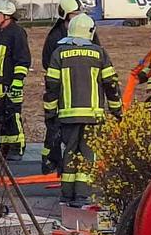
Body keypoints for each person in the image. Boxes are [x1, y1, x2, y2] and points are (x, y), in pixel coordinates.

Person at [43, 12, 120, 206]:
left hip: (67, 116)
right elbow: (110, 84)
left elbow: (52, 87)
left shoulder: (59, 54)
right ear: (90, 32)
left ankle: (67, 193)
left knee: (69, 152)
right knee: (87, 154)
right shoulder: (99, 53)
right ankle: (82, 194)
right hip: (93, 117)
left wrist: (50, 114)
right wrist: (117, 110)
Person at [39, 0, 82, 174]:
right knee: (54, 127)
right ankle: (51, 161)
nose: (78, 16)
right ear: (65, 15)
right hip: (60, 90)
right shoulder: (54, 37)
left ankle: (75, 163)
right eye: (74, 13)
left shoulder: (86, 32)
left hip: (80, 89)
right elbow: (47, 63)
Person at [0, 0, 31, 160]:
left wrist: (17, 82)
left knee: (12, 116)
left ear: (6, 16)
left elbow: (23, 59)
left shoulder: (16, 33)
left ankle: (17, 149)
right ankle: (5, 148)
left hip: (11, 84)